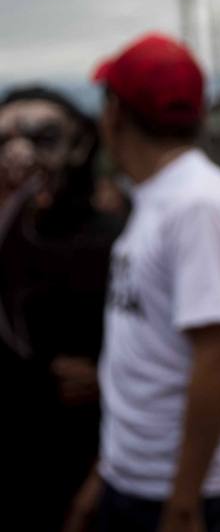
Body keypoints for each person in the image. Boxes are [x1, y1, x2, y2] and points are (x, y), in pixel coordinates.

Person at [64, 33, 220, 532]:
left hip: (203, 495)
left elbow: (216, 356)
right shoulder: (162, 196)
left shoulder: (197, 205)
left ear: (116, 113)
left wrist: (183, 502)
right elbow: (147, 354)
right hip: (141, 480)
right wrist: (107, 471)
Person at [1, 87, 123, 532]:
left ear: (81, 144)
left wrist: (111, 377)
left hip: (102, 473)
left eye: (44, 138)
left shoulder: (118, 242)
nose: (19, 155)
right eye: (5, 141)